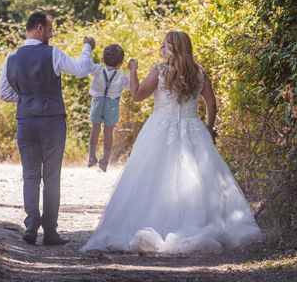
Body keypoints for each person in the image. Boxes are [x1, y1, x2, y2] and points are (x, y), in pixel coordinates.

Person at [81, 31, 262, 253]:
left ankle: (154, 224)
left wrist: (133, 70)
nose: (161, 50)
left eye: (164, 46)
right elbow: (211, 104)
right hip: (193, 129)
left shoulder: (160, 71)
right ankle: (202, 223)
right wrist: (208, 128)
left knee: (151, 178)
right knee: (202, 180)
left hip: (160, 129)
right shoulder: (200, 72)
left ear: (174, 49)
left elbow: (136, 95)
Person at [0, 11, 95, 246]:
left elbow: (4, 93)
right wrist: (87, 48)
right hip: (52, 121)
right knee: (51, 177)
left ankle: (31, 226)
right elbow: (82, 69)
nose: (51, 34)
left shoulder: (11, 58)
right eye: (50, 29)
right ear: (40, 28)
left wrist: (26, 99)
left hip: (26, 121)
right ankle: (50, 232)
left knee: (30, 175)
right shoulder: (53, 54)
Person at [87, 44, 129, 171]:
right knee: (108, 131)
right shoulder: (122, 76)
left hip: (97, 102)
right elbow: (132, 87)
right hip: (112, 104)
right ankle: (105, 160)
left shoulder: (97, 69)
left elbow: (87, 65)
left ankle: (92, 156)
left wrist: (88, 48)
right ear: (121, 63)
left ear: (102, 59)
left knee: (95, 129)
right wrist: (133, 71)